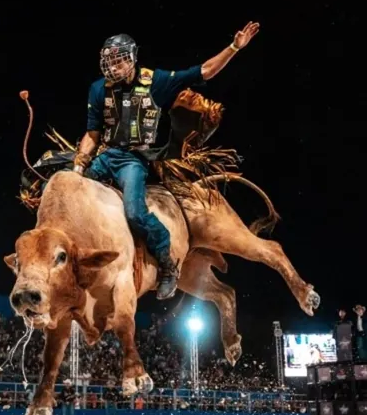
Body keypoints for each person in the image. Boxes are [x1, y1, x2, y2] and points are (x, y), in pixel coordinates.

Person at [72, 22, 261, 300]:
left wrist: (234, 47)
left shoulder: (156, 81)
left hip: (133, 161)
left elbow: (204, 71)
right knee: (65, 190)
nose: (113, 67)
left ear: (132, 58)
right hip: (106, 156)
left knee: (135, 212)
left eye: (119, 61)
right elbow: (92, 134)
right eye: (109, 62)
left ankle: (167, 262)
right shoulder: (98, 89)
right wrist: (77, 168)